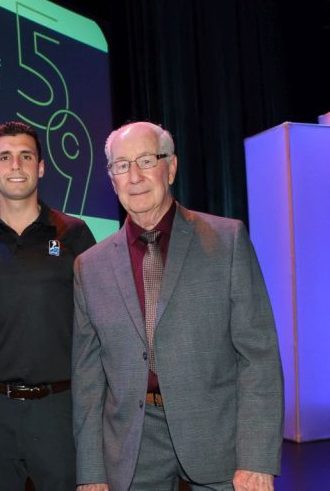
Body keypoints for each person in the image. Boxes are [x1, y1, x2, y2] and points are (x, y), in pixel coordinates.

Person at [72, 122, 283, 491]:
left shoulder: (227, 240)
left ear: (170, 167)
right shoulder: (89, 266)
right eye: (121, 165)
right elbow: (89, 382)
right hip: (132, 447)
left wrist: (257, 458)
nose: (134, 176)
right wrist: (91, 473)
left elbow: (258, 356)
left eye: (146, 160)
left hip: (219, 437)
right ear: (111, 178)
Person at [0, 121, 96, 490]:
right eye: (5, 157)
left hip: (59, 409)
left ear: (41, 167)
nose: (16, 165)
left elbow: (99, 325)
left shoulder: (74, 234)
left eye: (26, 156)